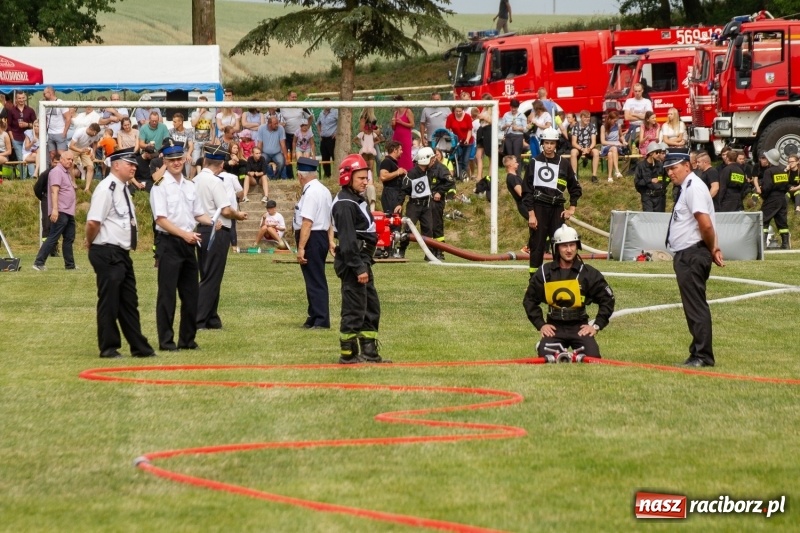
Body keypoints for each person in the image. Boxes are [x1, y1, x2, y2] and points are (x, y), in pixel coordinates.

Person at [84, 148, 156, 359]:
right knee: (110, 301)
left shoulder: (123, 187)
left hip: (120, 253)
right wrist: (90, 241)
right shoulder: (107, 188)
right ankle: (109, 347)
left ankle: (139, 347)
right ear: (116, 165)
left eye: (135, 164)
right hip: (107, 251)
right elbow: (93, 221)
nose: (134, 167)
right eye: (129, 164)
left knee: (129, 301)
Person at [149, 141, 215, 351]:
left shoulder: (190, 185)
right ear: (165, 163)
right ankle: (166, 342)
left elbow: (198, 213)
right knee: (167, 295)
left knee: (191, 294)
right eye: (172, 160)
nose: (177, 163)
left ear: (185, 159)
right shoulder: (159, 186)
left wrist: (214, 221)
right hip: (169, 242)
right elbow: (161, 219)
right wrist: (184, 234)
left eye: (179, 159)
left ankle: (188, 340)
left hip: (188, 242)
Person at [664, 152, 724, 367]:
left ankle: (703, 356)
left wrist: (711, 246)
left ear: (687, 166)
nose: (670, 173)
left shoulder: (693, 187)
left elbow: (705, 224)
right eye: (667, 169)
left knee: (696, 306)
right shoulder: (688, 187)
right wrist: (713, 247)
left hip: (692, 254)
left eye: (674, 168)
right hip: (690, 253)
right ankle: (697, 352)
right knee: (693, 306)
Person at [523, 224, 614, 359]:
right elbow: (529, 300)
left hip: (579, 326)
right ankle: (542, 345)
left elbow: (608, 299)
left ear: (577, 246)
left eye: (572, 245)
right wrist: (541, 325)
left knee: (592, 358)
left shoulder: (588, 273)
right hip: (554, 326)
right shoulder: (544, 272)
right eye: (564, 246)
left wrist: (595, 326)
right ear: (556, 248)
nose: (569, 250)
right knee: (547, 358)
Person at [332, 154, 390, 364]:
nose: (366, 181)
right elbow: (347, 242)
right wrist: (358, 268)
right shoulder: (345, 204)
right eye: (361, 178)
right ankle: (348, 354)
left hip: (363, 259)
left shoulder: (356, 198)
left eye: (366, 177)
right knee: (354, 308)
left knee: (370, 306)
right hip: (353, 262)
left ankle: (370, 351)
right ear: (347, 178)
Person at [194, 145, 249, 330]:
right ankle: (199, 319)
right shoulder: (215, 182)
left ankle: (211, 318)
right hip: (217, 231)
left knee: (207, 273)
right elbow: (225, 210)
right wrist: (239, 215)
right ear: (221, 164)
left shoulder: (195, 180)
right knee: (212, 277)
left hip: (201, 229)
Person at [522, 128, 582, 275]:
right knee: (537, 246)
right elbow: (527, 190)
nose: (549, 146)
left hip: (557, 209)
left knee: (559, 244)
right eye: (546, 143)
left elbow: (575, 188)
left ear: (556, 144)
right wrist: (531, 214)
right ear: (542, 143)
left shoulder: (564, 163)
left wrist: (571, 208)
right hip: (539, 208)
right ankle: (534, 281)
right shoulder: (534, 162)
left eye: (552, 143)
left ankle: (560, 278)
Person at [393, 146, 454, 260]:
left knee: (428, 230)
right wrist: (399, 203)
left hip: (427, 205)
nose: (434, 160)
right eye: (431, 158)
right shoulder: (412, 174)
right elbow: (403, 190)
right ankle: (401, 250)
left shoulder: (433, 170)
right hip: (414, 206)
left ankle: (429, 254)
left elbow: (448, 181)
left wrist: (440, 192)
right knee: (408, 229)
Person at [294, 157, 334, 329]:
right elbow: (329, 219)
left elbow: (307, 222)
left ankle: (321, 318)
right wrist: (331, 240)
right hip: (321, 235)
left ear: (301, 176)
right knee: (313, 278)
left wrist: (301, 247)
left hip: (312, 237)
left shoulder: (310, 192)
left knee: (315, 279)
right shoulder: (323, 190)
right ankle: (314, 314)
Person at [32, 151, 77, 271]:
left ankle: (70, 265)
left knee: (69, 237)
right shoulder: (57, 171)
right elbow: (54, 191)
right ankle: (38, 262)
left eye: (72, 160)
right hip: (61, 210)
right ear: (61, 159)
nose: (70, 161)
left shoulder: (66, 172)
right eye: (68, 159)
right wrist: (55, 210)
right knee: (53, 237)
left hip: (68, 211)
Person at [760, 148, 791, 249]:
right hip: (782, 199)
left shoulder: (768, 171)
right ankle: (785, 244)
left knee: (764, 220)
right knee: (782, 221)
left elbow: (767, 187)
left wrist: (763, 195)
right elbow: (787, 186)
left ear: (769, 160)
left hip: (772, 198)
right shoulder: (783, 171)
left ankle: (763, 244)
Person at [7, 91, 36, 178]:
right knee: (20, 159)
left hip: (27, 139)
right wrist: (12, 138)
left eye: (23, 98)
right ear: (16, 99)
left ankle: (31, 177)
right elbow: (8, 126)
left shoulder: (30, 110)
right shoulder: (11, 111)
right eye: (19, 98)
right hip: (16, 138)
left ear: (25, 98)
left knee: (29, 157)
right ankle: (23, 179)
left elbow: (35, 124)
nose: (21, 100)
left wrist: (27, 124)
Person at [634, 142, 668, 212]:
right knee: (648, 219)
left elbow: (667, 177)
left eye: (659, 152)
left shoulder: (660, 165)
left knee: (659, 220)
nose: (659, 154)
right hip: (647, 197)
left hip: (660, 198)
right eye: (657, 152)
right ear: (650, 153)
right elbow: (637, 182)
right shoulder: (641, 166)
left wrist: (664, 184)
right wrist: (650, 180)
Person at [68, 122, 102, 191]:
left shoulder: (96, 135)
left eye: (96, 134)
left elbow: (95, 142)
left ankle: (87, 188)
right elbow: (71, 146)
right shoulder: (80, 132)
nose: (94, 135)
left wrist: (94, 152)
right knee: (70, 165)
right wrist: (80, 150)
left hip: (85, 149)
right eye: (94, 133)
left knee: (91, 167)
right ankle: (73, 183)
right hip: (75, 148)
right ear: (90, 129)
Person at [42, 86, 72, 162]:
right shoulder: (45, 104)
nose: (43, 95)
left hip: (60, 132)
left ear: (50, 93)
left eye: (44, 93)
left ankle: (68, 169)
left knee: (62, 153)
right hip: (50, 133)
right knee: (52, 154)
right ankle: (53, 172)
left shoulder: (60, 103)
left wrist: (64, 132)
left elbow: (68, 118)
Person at [569, 110, 600, 182]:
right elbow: (574, 143)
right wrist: (582, 149)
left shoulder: (592, 126)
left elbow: (594, 142)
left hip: (589, 148)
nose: (587, 119)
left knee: (596, 152)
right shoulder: (575, 127)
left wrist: (589, 148)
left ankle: (594, 175)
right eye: (585, 117)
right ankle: (574, 175)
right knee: (573, 152)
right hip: (578, 147)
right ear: (581, 118)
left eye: (588, 117)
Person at [256, 116, 289, 180]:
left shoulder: (281, 128)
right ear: (269, 124)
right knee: (262, 161)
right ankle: (270, 176)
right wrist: (258, 155)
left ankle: (275, 178)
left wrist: (286, 158)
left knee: (281, 162)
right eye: (275, 124)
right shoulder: (261, 128)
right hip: (265, 153)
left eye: (277, 123)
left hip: (277, 153)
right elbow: (259, 144)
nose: (277, 125)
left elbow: (283, 145)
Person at [445, 106, 473, 180]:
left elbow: (470, 130)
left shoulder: (467, 117)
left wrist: (467, 139)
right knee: (458, 160)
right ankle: (460, 176)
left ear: (463, 110)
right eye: (456, 111)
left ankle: (467, 177)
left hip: (467, 142)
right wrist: (450, 139)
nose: (458, 113)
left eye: (460, 111)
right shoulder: (450, 117)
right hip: (457, 142)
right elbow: (448, 130)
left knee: (465, 161)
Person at [379, 140, 406, 213]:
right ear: (394, 150)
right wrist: (397, 172)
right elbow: (383, 176)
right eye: (400, 149)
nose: (402, 151)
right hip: (390, 194)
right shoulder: (386, 161)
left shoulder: (394, 163)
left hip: (396, 194)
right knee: (392, 218)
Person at [600, 111, 626, 182]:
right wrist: (614, 144)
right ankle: (617, 171)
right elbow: (603, 141)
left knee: (610, 154)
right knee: (614, 148)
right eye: (614, 120)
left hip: (616, 147)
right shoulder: (603, 127)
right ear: (609, 119)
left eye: (616, 121)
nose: (615, 122)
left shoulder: (618, 126)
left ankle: (610, 177)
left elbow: (621, 136)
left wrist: (623, 141)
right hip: (607, 146)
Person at [391, 96, 415, 171]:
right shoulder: (395, 113)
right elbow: (394, 128)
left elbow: (412, 125)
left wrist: (401, 122)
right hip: (397, 136)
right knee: (396, 154)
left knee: (406, 155)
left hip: (405, 137)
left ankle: (408, 171)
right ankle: (397, 170)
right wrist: (393, 123)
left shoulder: (408, 111)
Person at [316, 99, 338, 178]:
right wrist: (320, 134)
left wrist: (337, 133)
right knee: (325, 158)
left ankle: (337, 174)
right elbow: (318, 123)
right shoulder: (321, 113)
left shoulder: (335, 112)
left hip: (332, 139)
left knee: (335, 157)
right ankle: (327, 175)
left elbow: (341, 123)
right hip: (323, 139)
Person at [504, 155, 527, 220]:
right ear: (510, 165)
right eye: (515, 162)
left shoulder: (514, 177)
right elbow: (521, 193)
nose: (518, 163)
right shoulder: (512, 178)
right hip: (525, 206)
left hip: (524, 205)